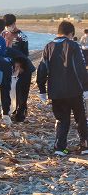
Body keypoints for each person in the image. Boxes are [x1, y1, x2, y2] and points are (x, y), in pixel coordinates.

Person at [37, 21, 88, 156]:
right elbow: (81, 67)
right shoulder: (73, 45)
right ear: (71, 34)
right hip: (74, 90)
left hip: (56, 91)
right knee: (80, 118)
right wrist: (86, 87)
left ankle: (60, 148)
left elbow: (42, 69)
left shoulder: (48, 46)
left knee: (61, 119)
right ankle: (85, 145)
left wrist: (42, 89)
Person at [2, 14, 32, 122]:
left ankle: (20, 114)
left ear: (14, 23)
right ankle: (8, 112)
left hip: (23, 68)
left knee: (21, 93)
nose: (8, 28)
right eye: (6, 26)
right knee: (9, 91)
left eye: (10, 25)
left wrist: (19, 65)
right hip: (8, 68)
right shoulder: (2, 34)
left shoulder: (22, 36)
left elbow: (25, 53)